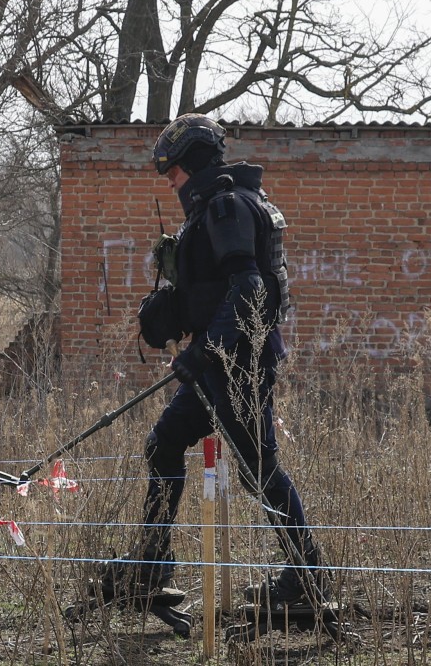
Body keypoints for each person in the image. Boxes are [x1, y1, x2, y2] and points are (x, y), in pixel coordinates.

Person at [101, 113, 328, 606]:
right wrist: (168, 313)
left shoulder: (227, 207)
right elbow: (216, 291)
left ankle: (308, 579)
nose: (172, 182)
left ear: (195, 163)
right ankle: (150, 567)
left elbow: (251, 289)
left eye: (175, 172)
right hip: (215, 365)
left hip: (238, 366)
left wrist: (204, 351)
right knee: (163, 443)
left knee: (257, 467)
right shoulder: (210, 210)